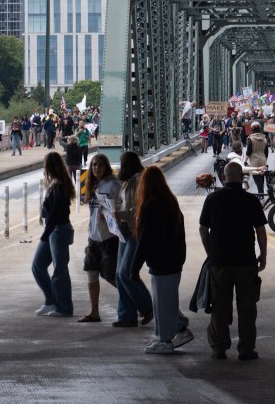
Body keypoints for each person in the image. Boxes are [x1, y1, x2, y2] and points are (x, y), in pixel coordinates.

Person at [199, 161, 267, 361]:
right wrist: (263, 254)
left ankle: (219, 348)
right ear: (242, 178)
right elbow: (261, 230)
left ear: (224, 176)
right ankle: (246, 349)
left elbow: (203, 229)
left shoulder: (212, 199)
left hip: (219, 261)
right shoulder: (251, 200)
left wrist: (210, 251)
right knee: (247, 307)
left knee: (219, 306)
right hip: (245, 261)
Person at [130, 166, 192, 354]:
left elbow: (146, 239)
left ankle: (165, 340)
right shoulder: (170, 202)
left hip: (161, 262)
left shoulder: (152, 204)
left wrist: (134, 267)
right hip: (173, 260)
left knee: (161, 303)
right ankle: (180, 327)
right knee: (166, 300)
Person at [111, 151, 154, 328]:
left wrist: (120, 213)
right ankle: (126, 316)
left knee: (125, 273)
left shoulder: (137, 180)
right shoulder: (127, 181)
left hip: (134, 231)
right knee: (119, 275)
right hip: (124, 230)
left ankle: (147, 306)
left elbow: (139, 209)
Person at [32, 152, 75, 317]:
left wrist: (45, 233)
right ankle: (51, 300)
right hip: (54, 230)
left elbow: (56, 213)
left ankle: (64, 307)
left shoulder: (58, 186)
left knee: (60, 270)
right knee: (38, 265)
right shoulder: (57, 183)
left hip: (58, 230)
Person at [79, 155, 121, 323]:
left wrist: (111, 214)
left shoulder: (113, 185)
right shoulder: (92, 185)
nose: (96, 168)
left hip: (109, 237)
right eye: (94, 165)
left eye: (100, 165)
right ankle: (94, 311)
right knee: (91, 273)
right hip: (93, 238)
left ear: (106, 167)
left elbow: (121, 206)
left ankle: (136, 302)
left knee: (110, 275)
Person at [244, 121, 270, 194]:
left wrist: (245, 161)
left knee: (257, 180)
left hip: (254, 162)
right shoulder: (264, 139)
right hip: (263, 160)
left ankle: (261, 195)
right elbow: (266, 152)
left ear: (252, 129)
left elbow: (248, 152)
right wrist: (265, 161)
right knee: (261, 179)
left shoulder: (250, 139)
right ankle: (261, 194)